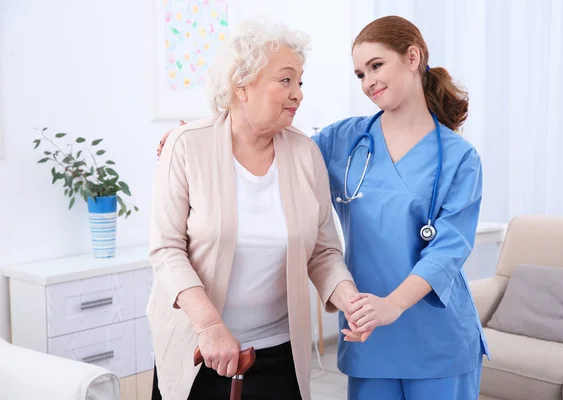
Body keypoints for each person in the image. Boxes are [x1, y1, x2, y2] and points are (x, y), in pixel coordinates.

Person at [158, 15, 488, 400]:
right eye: (360, 74)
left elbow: (448, 250)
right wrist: (193, 136)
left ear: (413, 58)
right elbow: (264, 140)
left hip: (436, 334)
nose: (368, 83)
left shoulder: (460, 157)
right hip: (368, 331)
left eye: (377, 66)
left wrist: (393, 305)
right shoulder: (343, 141)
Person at [148, 20, 368, 400]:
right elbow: (166, 250)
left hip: (279, 351)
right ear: (241, 84)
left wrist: (350, 298)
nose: (297, 94)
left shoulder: (305, 153)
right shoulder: (187, 145)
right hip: (200, 348)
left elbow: (323, 251)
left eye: (300, 82)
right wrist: (210, 325)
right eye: (285, 80)